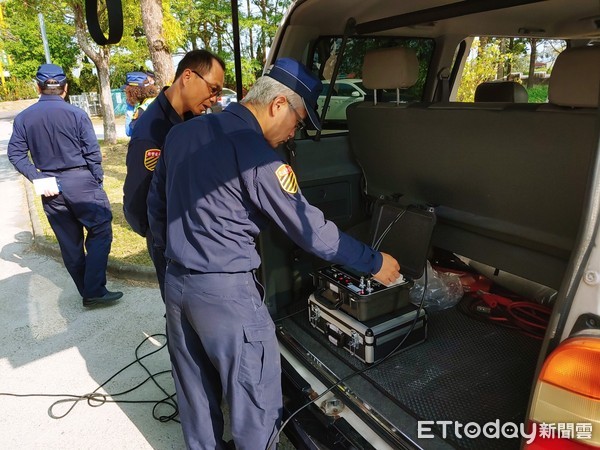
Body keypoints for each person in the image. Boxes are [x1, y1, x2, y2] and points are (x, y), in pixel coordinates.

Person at [147, 57, 401, 449]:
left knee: (196, 395)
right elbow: (313, 233)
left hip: (178, 288)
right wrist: (375, 262)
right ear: (278, 104)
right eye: (297, 121)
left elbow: (156, 209)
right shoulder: (258, 154)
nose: (292, 134)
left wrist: (176, 259)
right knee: (255, 402)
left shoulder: (184, 134)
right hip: (227, 297)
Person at [8, 64, 122, 307]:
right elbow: (92, 153)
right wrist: (97, 181)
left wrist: (37, 178)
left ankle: (88, 290)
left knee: (69, 243)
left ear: (37, 87)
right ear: (65, 88)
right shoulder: (77, 115)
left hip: (48, 185)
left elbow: (16, 155)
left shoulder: (24, 118)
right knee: (100, 230)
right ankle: (94, 290)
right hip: (81, 181)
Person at [123, 49, 225, 301]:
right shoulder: (152, 132)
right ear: (188, 76)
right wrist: (158, 239)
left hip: (197, 234)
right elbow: (137, 201)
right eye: (213, 89)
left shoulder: (193, 119)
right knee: (179, 314)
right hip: (169, 241)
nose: (215, 99)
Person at [123, 71, 158, 137]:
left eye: (127, 91)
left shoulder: (142, 109)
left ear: (133, 91)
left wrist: (129, 107)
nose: (126, 93)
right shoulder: (155, 100)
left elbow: (129, 132)